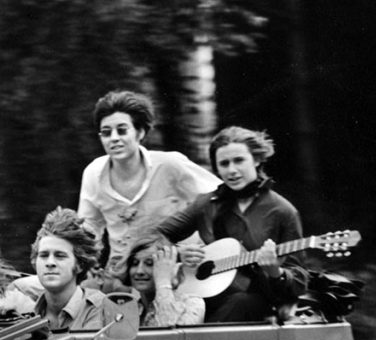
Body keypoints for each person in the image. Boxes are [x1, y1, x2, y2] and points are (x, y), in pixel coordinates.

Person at [156, 126, 308, 322]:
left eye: (239, 161)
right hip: (204, 292)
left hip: (259, 303)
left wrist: (275, 272)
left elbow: (299, 280)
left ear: (257, 159)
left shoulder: (282, 211)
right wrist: (177, 253)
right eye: (224, 164)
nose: (232, 170)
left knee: (241, 301)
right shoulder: (206, 204)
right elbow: (158, 234)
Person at [77, 90, 220, 284]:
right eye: (106, 132)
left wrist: (209, 243)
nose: (114, 138)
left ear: (140, 132)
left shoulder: (170, 164)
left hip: (177, 269)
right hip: (123, 275)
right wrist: (88, 263)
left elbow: (217, 196)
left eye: (122, 130)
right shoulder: (93, 173)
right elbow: (89, 227)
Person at [30, 207, 122, 331]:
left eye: (60, 256)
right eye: (44, 255)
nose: (50, 263)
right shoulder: (27, 311)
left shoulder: (100, 308)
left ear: (79, 265)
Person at [111, 233, 204, 326]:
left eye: (150, 263)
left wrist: (163, 281)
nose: (139, 271)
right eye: (134, 264)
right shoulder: (126, 312)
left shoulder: (192, 304)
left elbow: (168, 335)